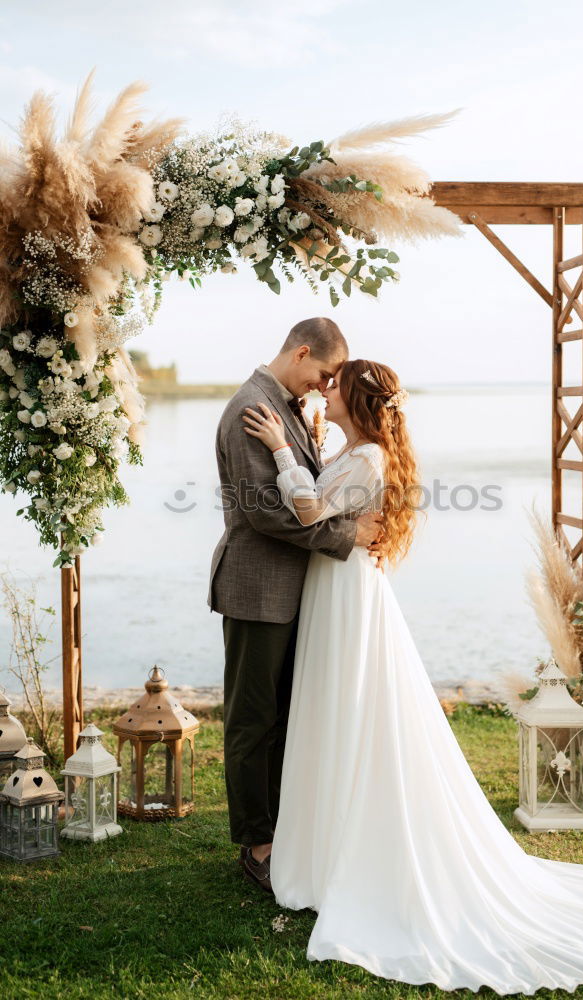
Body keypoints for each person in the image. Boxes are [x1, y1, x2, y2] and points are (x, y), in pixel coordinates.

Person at [241, 357, 583, 996]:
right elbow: (336, 503)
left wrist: (280, 448)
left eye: (334, 386)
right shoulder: (359, 451)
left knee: (350, 711)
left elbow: (305, 512)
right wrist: (315, 438)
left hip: (348, 594)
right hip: (339, 588)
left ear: (357, 403)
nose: (322, 390)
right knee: (335, 709)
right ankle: (328, 841)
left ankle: (341, 847)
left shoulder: (367, 460)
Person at [207, 318, 383, 893]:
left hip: (295, 589)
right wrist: (347, 538)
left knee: (284, 718)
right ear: (302, 352)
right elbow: (265, 513)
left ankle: (285, 830)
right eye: (323, 374)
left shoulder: (283, 404)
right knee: (253, 721)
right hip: (258, 589)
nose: (324, 386)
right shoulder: (249, 409)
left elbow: (308, 488)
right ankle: (257, 843)